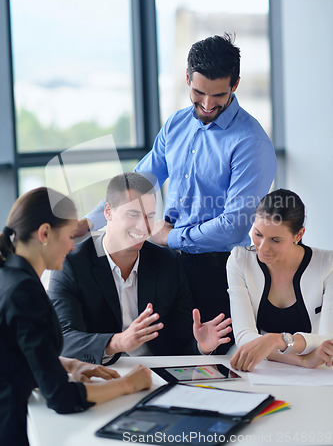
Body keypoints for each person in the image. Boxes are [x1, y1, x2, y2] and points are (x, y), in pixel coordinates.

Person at [76, 34, 276, 354]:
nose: (208, 105)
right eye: (198, 93)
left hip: (216, 270)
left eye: (219, 95)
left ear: (235, 84)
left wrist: (170, 237)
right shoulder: (176, 125)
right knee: (160, 353)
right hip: (164, 264)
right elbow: (138, 183)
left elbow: (235, 225)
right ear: (187, 79)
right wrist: (89, 222)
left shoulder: (251, 144)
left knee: (210, 360)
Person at [0, 187, 152, 446]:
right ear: (45, 233)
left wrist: (69, 365)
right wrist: (128, 385)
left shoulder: (9, 275)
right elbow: (61, 397)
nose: (73, 246)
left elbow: (15, 351)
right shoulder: (24, 292)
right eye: (70, 236)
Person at [48, 173, 232, 365]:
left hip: (156, 371)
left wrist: (201, 347)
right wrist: (117, 342)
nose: (143, 226)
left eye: (150, 217)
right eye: (133, 214)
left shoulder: (169, 263)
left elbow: (181, 344)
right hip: (100, 370)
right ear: (108, 212)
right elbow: (63, 339)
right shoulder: (72, 264)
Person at [227, 188, 333, 372]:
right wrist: (301, 360)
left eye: (275, 240)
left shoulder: (328, 264)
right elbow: (244, 336)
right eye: (258, 234)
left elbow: (327, 340)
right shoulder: (239, 260)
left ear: (298, 235)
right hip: (262, 368)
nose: (262, 247)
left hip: (317, 372)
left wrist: (275, 340)